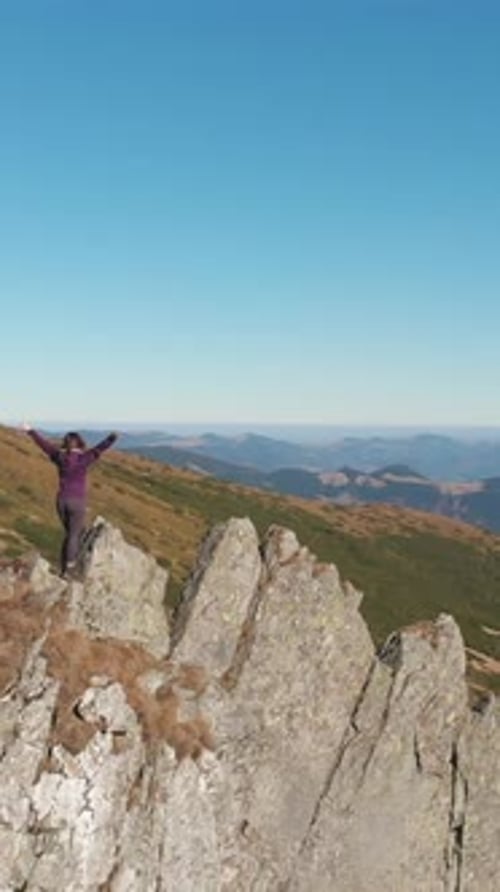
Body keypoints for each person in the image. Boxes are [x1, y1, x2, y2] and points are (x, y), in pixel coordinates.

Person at [23, 425, 118, 577]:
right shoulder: (84, 458)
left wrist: (30, 431)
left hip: (61, 501)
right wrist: (111, 438)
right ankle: (70, 567)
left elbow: (44, 445)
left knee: (70, 535)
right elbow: (99, 449)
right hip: (77, 502)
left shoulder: (59, 457)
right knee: (74, 535)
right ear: (80, 443)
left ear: (65, 444)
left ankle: (64, 568)